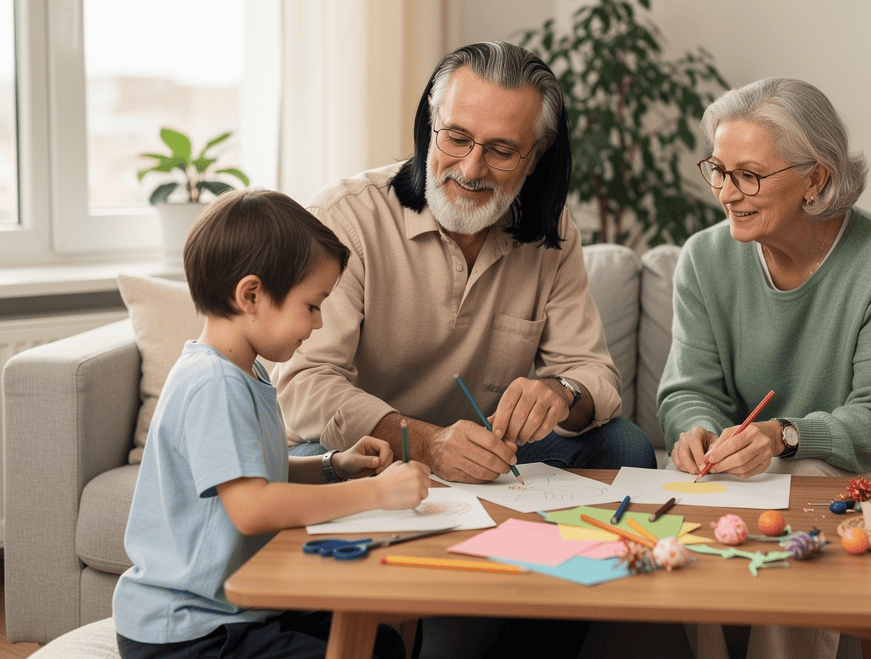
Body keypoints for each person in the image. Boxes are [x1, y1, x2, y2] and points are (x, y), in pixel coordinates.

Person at [274, 41, 656, 481]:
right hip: (374, 449)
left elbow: (593, 374)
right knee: (308, 457)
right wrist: (424, 444)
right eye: (456, 138)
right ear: (431, 123)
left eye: (501, 150)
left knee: (626, 444)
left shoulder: (555, 232)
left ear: (537, 155)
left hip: (485, 450)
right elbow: (305, 385)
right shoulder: (345, 217)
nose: (471, 169)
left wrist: (561, 392)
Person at [657, 77, 871, 659]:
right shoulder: (704, 258)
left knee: (802, 475)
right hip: (767, 467)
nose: (727, 193)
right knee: (690, 488)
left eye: (749, 175)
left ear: (816, 178)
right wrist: (697, 431)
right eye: (718, 169)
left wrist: (785, 434)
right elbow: (688, 389)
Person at [112, 188, 431, 659]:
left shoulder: (245, 371)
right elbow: (252, 507)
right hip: (187, 630)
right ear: (252, 295)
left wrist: (334, 465)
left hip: (232, 611)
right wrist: (377, 494)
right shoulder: (212, 384)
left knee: (379, 639)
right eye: (312, 305)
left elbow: (256, 474)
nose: (319, 324)